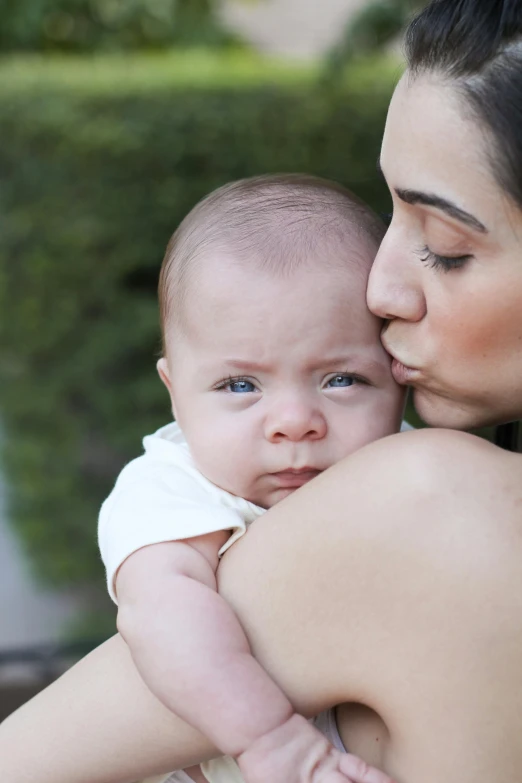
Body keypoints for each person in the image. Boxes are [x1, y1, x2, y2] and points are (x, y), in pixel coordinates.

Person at [2, 0, 522, 781]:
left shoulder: (435, 493)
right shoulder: (418, 497)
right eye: (393, 218)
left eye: (445, 246)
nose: (379, 289)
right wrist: (276, 741)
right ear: (173, 390)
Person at [99, 174, 404, 783]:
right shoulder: (172, 490)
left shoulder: (413, 469)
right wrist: (273, 740)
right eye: (240, 386)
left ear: (400, 377)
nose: (295, 423)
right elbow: (162, 615)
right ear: (176, 396)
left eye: (341, 378)